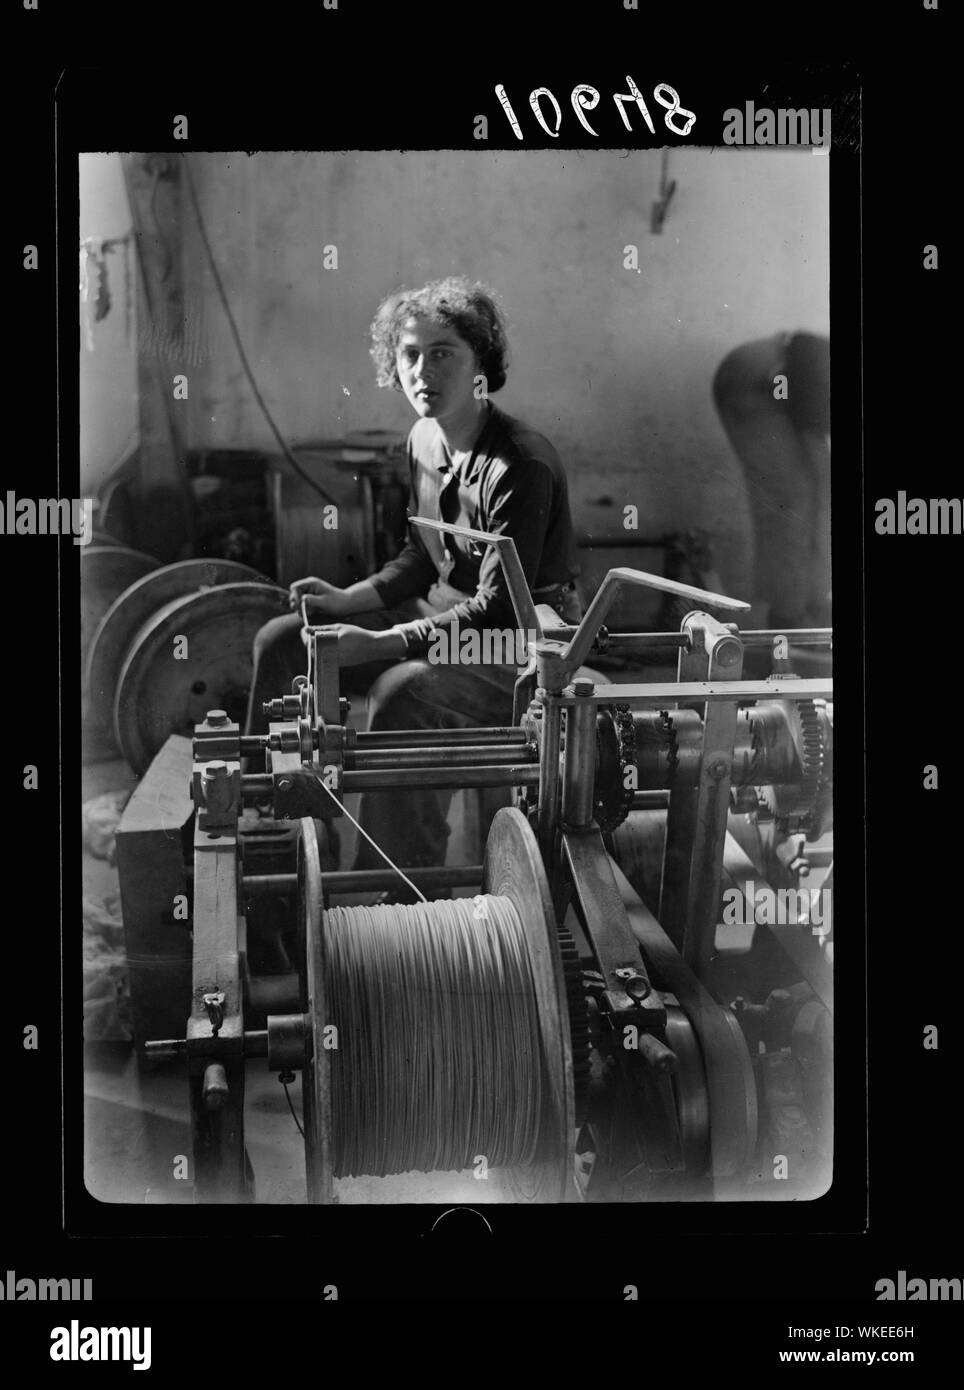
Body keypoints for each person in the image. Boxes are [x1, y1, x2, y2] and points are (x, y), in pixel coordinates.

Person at [246, 276, 580, 894]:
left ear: (483, 363)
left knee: (404, 693)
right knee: (286, 639)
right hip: (443, 619)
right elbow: (420, 557)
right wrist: (349, 602)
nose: (423, 370)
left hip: (517, 649)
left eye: (444, 352)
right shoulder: (423, 439)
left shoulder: (520, 465)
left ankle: (397, 895)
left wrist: (384, 643)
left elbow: (502, 610)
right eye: (409, 354)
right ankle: (271, 825)